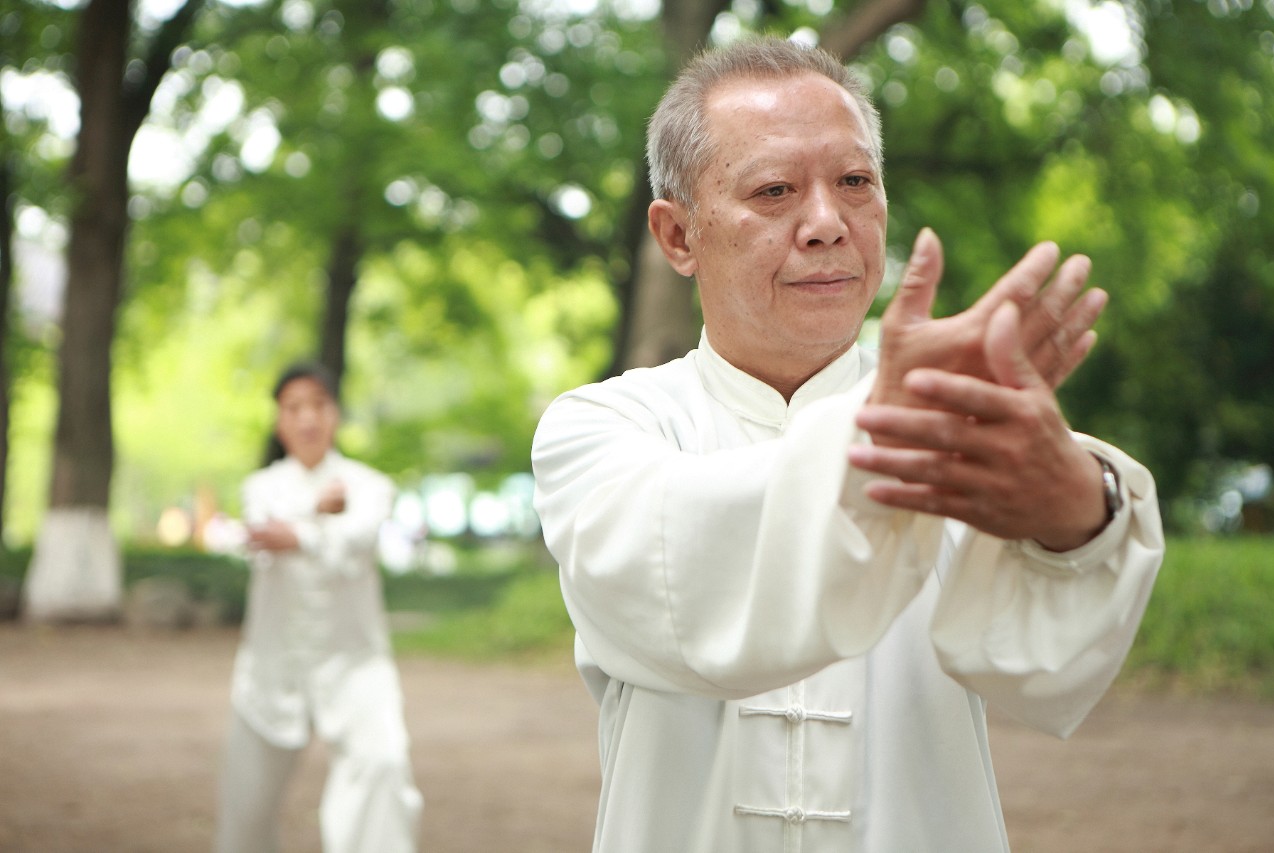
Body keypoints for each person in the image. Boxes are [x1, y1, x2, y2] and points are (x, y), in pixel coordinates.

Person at [531, 36, 1164, 853]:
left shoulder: (959, 416)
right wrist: (889, 427)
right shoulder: (604, 428)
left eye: (856, 182)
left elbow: (1036, 668)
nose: (828, 224)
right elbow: (674, 570)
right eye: (774, 190)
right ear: (678, 235)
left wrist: (1080, 514)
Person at [213, 362, 422, 853]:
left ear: (336, 415)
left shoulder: (369, 485)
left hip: (355, 665)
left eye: (318, 405)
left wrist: (303, 532)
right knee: (245, 810)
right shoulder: (260, 486)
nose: (307, 419)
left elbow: (357, 537)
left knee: (383, 765)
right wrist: (315, 513)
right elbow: (258, 533)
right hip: (270, 669)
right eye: (293, 408)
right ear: (279, 421)